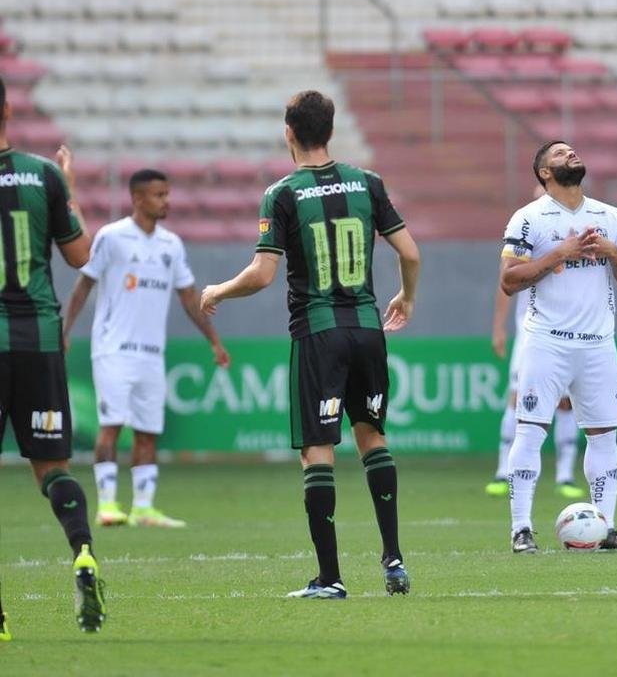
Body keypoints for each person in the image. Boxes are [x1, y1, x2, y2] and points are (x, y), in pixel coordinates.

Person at [199, 90, 421, 599]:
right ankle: (393, 559)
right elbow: (410, 252)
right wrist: (407, 297)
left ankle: (330, 578)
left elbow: (262, 273)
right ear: (331, 130)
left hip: (319, 332)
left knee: (317, 451)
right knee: (372, 438)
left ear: (289, 133)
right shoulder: (368, 182)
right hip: (368, 328)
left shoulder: (282, 193)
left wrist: (218, 291)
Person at [500, 140, 617, 553]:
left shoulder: (610, 216)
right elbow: (509, 280)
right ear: (544, 172)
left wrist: (613, 253)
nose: (570, 154)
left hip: (598, 344)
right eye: (560, 153)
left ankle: (607, 527)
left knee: (603, 436)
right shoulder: (529, 218)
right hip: (546, 342)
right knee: (530, 431)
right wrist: (559, 253)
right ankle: (521, 528)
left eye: (572, 150)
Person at [62, 169, 231, 529]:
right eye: (159, 195)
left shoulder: (171, 245)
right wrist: (65, 331)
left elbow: (189, 297)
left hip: (152, 353)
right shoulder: (112, 237)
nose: (166, 201)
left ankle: (143, 507)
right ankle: (107, 505)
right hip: (113, 349)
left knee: (148, 430)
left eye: (167, 194)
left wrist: (214, 340)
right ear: (138, 198)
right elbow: (83, 286)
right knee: (111, 425)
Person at [0, 76, 107, 634]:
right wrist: (69, 188)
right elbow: (81, 255)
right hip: (40, 340)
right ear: (8, 110)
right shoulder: (42, 175)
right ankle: (83, 552)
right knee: (52, 470)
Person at [488, 188, 585, 501]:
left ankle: (565, 475)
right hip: (532, 332)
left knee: (566, 402)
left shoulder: (579, 230)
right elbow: (506, 283)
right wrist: (499, 328)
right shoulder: (527, 229)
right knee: (518, 399)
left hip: (572, 332)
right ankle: (503, 471)